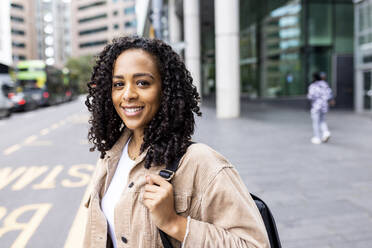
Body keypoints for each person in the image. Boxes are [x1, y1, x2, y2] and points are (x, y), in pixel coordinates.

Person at [84, 36, 270, 248]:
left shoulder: (201, 163)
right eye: (118, 84)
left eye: (142, 83)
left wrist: (174, 223)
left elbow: (254, 244)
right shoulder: (110, 158)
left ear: (166, 90)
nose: (128, 94)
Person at [307, 72, 333, 144]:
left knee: (316, 122)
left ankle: (317, 137)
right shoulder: (325, 84)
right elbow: (329, 94)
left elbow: (310, 96)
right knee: (322, 121)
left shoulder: (313, 86)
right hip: (324, 106)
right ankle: (326, 132)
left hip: (316, 107)